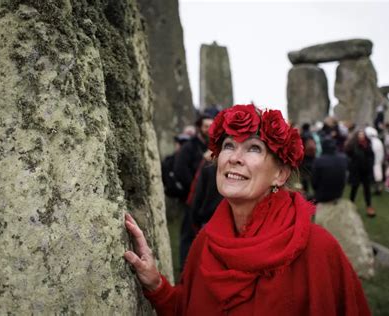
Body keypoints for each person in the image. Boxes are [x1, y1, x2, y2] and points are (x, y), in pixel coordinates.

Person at [124, 104, 371, 315]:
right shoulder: (206, 243)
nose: (235, 157)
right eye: (229, 145)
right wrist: (157, 284)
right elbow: (189, 308)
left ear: (280, 174)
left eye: (254, 148)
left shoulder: (317, 249)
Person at [173, 114, 213, 270]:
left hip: (206, 198)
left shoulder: (212, 147)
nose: (209, 130)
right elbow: (179, 169)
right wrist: (193, 187)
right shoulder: (190, 147)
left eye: (212, 126)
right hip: (192, 198)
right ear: (199, 128)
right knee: (188, 235)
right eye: (206, 126)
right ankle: (186, 269)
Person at [345, 129, 376, 217]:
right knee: (354, 188)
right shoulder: (353, 145)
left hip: (366, 171)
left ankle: (369, 206)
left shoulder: (368, 144)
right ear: (357, 136)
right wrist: (352, 165)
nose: (361, 136)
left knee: (367, 189)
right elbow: (348, 155)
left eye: (363, 134)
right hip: (356, 171)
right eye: (359, 134)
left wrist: (370, 164)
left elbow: (371, 156)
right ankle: (351, 205)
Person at [311, 137, 348, 203]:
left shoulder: (318, 161)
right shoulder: (343, 158)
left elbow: (314, 183)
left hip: (323, 196)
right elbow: (344, 177)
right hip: (338, 194)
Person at [365, 127, 385, 195]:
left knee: (374, 177)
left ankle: (376, 189)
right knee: (378, 176)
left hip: (374, 162)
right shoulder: (379, 141)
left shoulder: (372, 142)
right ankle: (378, 188)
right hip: (378, 162)